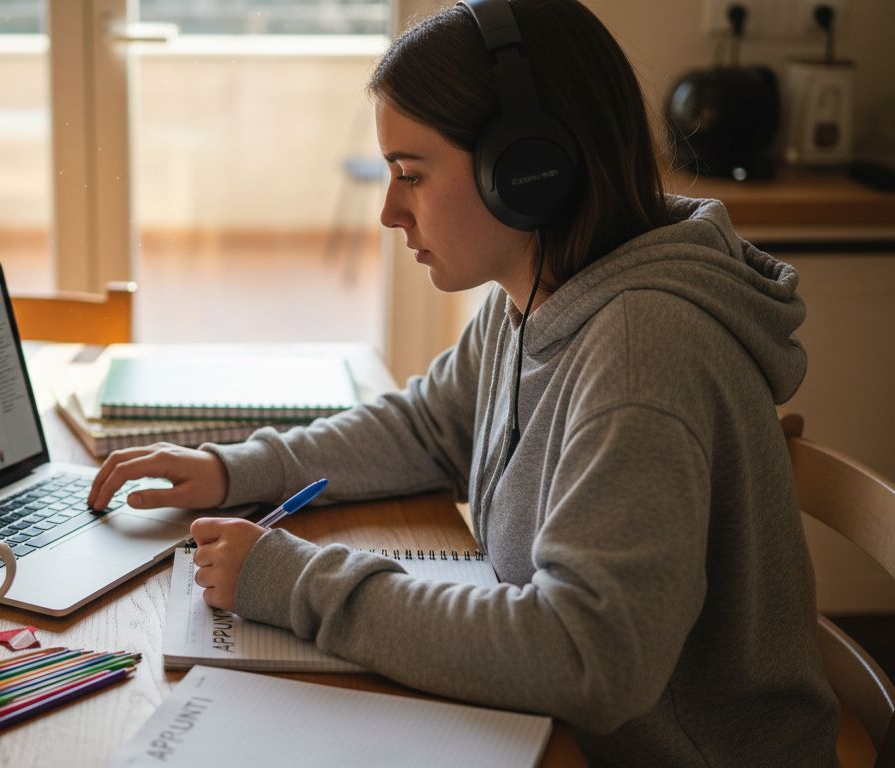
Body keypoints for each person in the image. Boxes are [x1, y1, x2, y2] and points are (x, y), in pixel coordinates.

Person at [87, 0, 840, 764]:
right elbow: (425, 426)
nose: (388, 212)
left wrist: (294, 582)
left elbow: (590, 660)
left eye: (411, 175)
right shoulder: (538, 295)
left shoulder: (642, 352)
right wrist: (237, 468)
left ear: (528, 171)